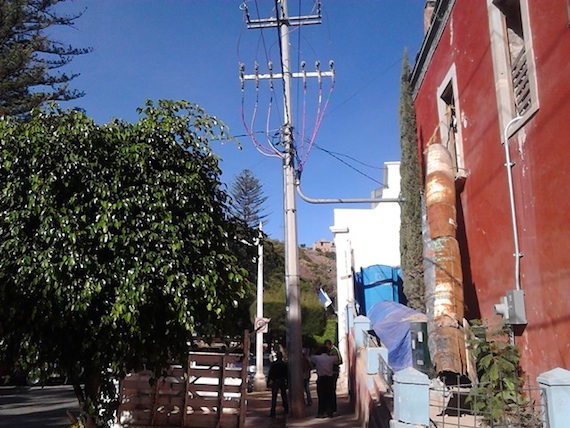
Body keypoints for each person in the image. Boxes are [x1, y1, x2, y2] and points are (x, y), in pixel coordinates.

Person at [310, 345, 338, 418]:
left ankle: (321, 412)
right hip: (329, 379)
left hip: (321, 379)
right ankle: (330, 412)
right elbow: (337, 358)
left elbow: (311, 357)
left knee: (321, 396)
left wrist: (317, 352)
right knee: (329, 395)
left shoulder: (317, 358)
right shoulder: (331, 359)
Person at [266, 351, 289, 417]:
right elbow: (286, 375)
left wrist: (268, 383)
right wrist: (287, 383)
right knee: (284, 396)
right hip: (282, 381)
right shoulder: (284, 364)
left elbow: (270, 374)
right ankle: (286, 409)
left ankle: (273, 412)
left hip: (275, 382)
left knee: (274, 397)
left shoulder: (274, 364)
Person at [325, 339, 342, 414]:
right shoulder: (330, 351)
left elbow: (340, 361)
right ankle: (330, 408)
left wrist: (332, 362)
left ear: (329, 345)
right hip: (330, 372)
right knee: (329, 390)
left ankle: (333, 408)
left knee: (332, 390)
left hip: (334, 372)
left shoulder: (335, 350)